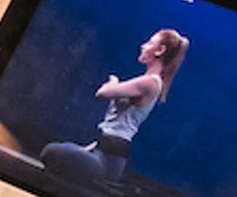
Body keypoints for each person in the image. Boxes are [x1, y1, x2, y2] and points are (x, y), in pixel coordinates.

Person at [41, 28, 185, 188]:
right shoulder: (149, 81)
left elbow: (103, 93)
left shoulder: (150, 83)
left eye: (150, 43)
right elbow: (111, 130)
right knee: (63, 150)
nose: (143, 46)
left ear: (160, 50)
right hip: (104, 150)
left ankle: (107, 182)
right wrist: (84, 150)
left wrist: (114, 82)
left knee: (51, 152)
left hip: (108, 161)